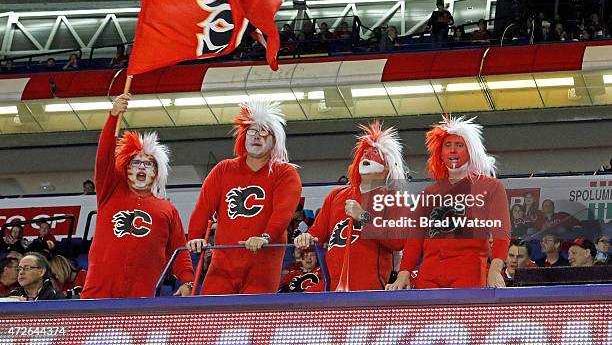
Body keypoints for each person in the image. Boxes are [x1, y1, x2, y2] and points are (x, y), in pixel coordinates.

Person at [81, 93, 194, 299]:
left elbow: (179, 249)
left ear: (156, 171)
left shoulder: (168, 209)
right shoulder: (110, 192)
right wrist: (113, 117)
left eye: (148, 163)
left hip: (145, 296)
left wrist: (187, 281)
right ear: (125, 168)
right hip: (99, 293)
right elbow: (104, 157)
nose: (142, 167)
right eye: (135, 162)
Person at [187, 99, 302, 294]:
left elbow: (283, 212)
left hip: (263, 262)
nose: (257, 136)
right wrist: (195, 237)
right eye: (252, 131)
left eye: (264, 132)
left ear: (275, 140)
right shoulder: (223, 169)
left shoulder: (285, 173)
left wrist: (265, 237)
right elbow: (203, 208)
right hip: (223, 262)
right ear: (243, 136)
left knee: (255, 318)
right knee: (211, 315)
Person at [388, 115, 511, 289]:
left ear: (471, 150)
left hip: (468, 269)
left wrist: (495, 269)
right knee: (428, 316)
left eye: (459, 145)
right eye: (447, 145)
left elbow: (502, 232)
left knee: (463, 315)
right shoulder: (428, 193)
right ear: (440, 153)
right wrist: (403, 273)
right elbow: (414, 239)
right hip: (429, 272)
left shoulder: (490, 187)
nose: (452, 150)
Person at [295, 121, 407, 291]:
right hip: (333, 288)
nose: (366, 156)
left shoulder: (394, 198)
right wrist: (306, 239)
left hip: (371, 290)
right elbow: (317, 234)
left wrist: (363, 217)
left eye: (374, 152)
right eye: (364, 152)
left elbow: (398, 241)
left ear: (388, 166)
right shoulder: (336, 195)